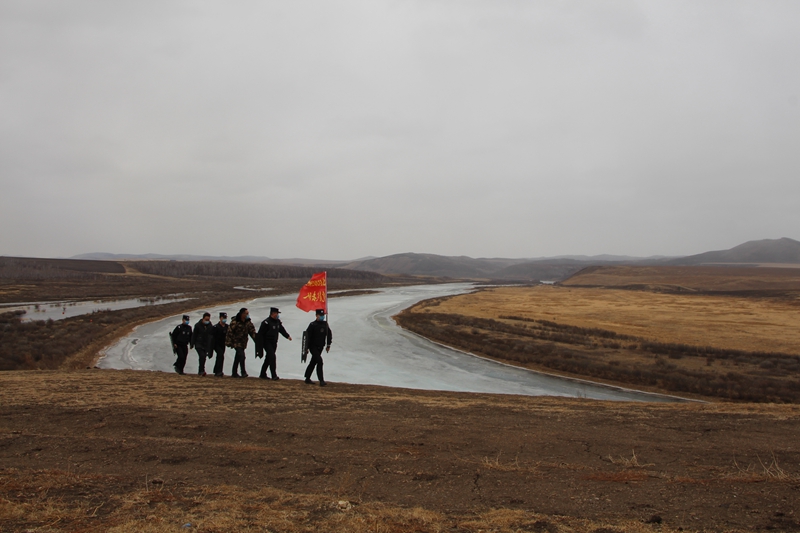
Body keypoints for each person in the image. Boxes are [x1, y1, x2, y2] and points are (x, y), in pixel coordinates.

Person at [256, 307, 292, 380]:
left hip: (274, 343)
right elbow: (260, 334)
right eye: (277, 313)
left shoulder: (277, 321)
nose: (278, 315)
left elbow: (281, 330)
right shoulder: (266, 322)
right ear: (273, 313)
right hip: (266, 342)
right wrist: (259, 345)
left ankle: (262, 373)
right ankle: (274, 375)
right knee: (272, 357)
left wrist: (287, 336)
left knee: (268, 358)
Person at [304, 309, 332, 386]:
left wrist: (328, 344)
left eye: (323, 315)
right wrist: (306, 348)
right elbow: (307, 337)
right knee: (319, 361)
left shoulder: (325, 324)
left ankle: (307, 378)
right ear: (316, 315)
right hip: (313, 346)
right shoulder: (312, 325)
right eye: (320, 315)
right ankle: (321, 380)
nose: (322, 317)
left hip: (321, 346)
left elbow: (329, 334)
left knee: (313, 362)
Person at [226, 307, 256, 378]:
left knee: (238, 357)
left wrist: (257, 341)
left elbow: (252, 332)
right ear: (242, 314)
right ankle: (243, 372)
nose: (248, 315)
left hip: (243, 342)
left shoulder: (248, 322)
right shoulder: (235, 322)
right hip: (236, 342)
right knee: (242, 356)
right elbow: (229, 332)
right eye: (246, 313)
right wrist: (229, 342)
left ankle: (234, 373)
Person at [192, 312, 215, 376]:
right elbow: (194, 335)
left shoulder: (210, 326)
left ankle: (201, 370)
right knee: (202, 356)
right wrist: (192, 344)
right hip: (198, 343)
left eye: (208, 320)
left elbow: (211, 336)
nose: (207, 321)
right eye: (206, 320)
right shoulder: (197, 325)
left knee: (204, 357)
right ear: (203, 319)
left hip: (206, 345)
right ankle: (201, 370)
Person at [211, 312, 228, 377]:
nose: (225, 319)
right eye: (223, 318)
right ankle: (218, 371)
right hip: (216, 344)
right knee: (220, 355)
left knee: (220, 356)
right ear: (220, 318)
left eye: (225, 318)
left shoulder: (227, 327)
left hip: (223, 344)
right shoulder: (216, 327)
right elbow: (212, 337)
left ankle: (217, 370)